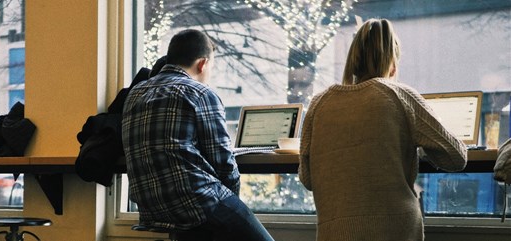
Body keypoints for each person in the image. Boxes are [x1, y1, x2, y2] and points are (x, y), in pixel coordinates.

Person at [298, 19, 467, 241]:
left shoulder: (319, 104)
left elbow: (307, 178)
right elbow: (456, 157)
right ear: (392, 62)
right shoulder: (399, 95)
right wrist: (416, 146)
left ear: (353, 60)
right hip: (395, 229)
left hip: (335, 232)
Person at [123, 29, 274, 241]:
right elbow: (223, 161)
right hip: (197, 202)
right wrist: (232, 203)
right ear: (202, 64)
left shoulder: (135, 93)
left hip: (153, 208)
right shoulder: (200, 93)